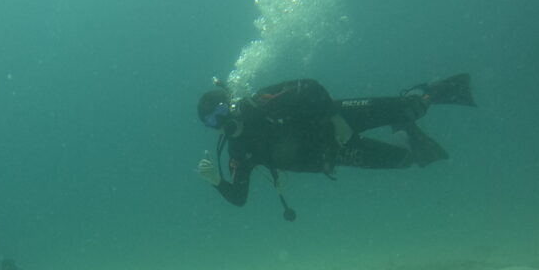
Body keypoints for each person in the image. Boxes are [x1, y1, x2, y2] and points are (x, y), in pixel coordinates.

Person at [196, 74, 476, 220]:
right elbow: (238, 198)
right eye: (211, 123)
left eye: (220, 115)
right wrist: (215, 181)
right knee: (403, 160)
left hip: (338, 117)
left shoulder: (262, 101)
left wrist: (335, 117)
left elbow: (310, 87)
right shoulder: (238, 151)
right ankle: (405, 134)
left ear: (231, 105)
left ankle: (428, 93)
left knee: (410, 107)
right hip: (332, 153)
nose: (220, 125)